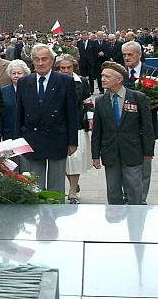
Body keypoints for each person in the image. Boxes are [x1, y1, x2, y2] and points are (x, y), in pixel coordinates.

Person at [15, 43, 78, 197]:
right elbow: (19, 113)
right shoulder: (24, 82)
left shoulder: (65, 81)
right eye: (37, 59)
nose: (41, 63)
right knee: (34, 186)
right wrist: (18, 142)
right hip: (32, 139)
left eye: (44, 59)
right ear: (32, 62)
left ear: (52, 60)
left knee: (56, 187)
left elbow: (71, 113)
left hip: (57, 138)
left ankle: (55, 215)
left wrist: (72, 141)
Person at [91, 61, 154, 205]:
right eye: (102, 76)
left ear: (119, 79)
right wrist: (95, 156)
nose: (102, 79)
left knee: (134, 192)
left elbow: (147, 128)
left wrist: (148, 152)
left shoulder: (138, 98)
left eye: (107, 76)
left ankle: (136, 224)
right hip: (110, 152)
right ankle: (116, 223)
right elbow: (97, 131)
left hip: (133, 151)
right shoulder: (101, 101)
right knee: (113, 193)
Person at [121, 40, 158, 197]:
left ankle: (141, 197)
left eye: (130, 54)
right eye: (124, 55)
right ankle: (127, 194)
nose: (127, 57)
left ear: (139, 54)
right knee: (124, 164)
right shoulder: (119, 74)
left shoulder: (153, 73)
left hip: (146, 127)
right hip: (123, 128)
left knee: (144, 164)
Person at [55, 54, 92, 204]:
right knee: (62, 161)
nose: (65, 70)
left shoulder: (82, 82)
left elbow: (88, 101)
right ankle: (73, 184)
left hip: (76, 125)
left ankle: (72, 192)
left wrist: (90, 118)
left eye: (68, 67)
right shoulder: (54, 81)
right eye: (62, 68)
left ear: (74, 67)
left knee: (75, 159)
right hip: (58, 126)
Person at [0, 59, 30, 141]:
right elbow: (1, 114)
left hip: (27, 133)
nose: (16, 75)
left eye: (19, 73)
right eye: (13, 73)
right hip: (9, 134)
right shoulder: (3, 91)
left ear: (25, 74)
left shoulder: (31, 90)